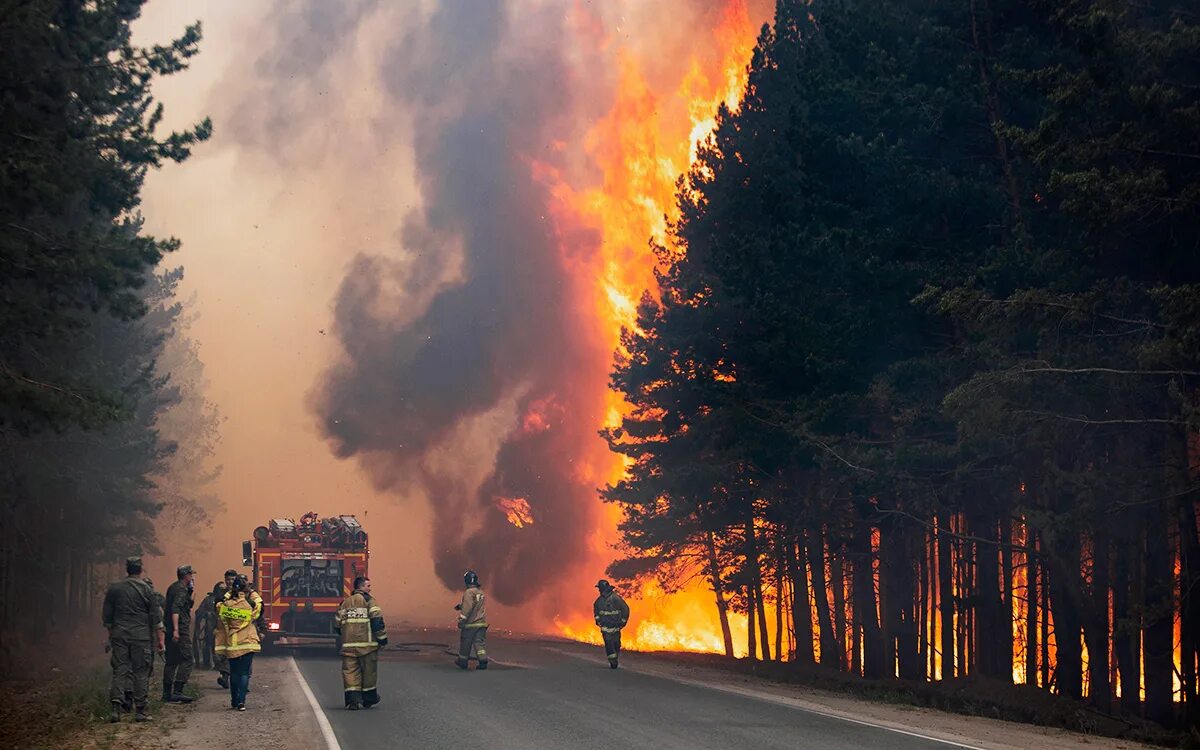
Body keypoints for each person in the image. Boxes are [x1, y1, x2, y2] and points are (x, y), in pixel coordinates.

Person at [102, 556, 164, 723]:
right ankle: (140, 711)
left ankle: (116, 707)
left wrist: (111, 635)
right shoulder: (146, 589)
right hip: (141, 636)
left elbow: (107, 616)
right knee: (140, 672)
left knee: (120, 670)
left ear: (127, 568)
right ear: (140, 569)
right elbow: (156, 617)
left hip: (119, 635)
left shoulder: (114, 588)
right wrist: (161, 641)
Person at [334, 576, 388, 710]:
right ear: (361, 587)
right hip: (367, 647)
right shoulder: (369, 601)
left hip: (348, 647)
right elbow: (377, 622)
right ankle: (369, 699)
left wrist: (346, 636)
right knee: (369, 672)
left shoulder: (344, 603)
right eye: (368, 586)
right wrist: (382, 639)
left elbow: (336, 625)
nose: (370, 588)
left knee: (350, 673)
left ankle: (353, 701)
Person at [214, 575, 261, 710]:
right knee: (244, 673)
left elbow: (217, 606)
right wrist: (252, 592)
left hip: (233, 643)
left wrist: (228, 594)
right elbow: (259, 608)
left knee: (234, 672)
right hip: (248, 642)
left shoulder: (226, 605)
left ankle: (234, 700)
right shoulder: (249, 605)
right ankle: (242, 701)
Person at [162, 565, 196, 703]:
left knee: (172, 660)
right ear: (186, 575)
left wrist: (191, 593)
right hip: (179, 629)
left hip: (169, 629)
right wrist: (176, 630)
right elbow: (175, 609)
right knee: (188, 659)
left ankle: (166, 693)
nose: (192, 577)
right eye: (190, 575)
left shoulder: (173, 587)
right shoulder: (181, 590)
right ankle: (177, 690)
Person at [454, 570, 488, 670]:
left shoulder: (468, 592)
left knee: (465, 643)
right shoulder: (480, 592)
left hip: (471, 624)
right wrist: (460, 606)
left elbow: (468, 607)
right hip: (481, 623)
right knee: (479, 643)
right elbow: (475, 604)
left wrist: (461, 620)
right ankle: (483, 660)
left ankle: (462, 661)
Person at [593, 579, 629, 669]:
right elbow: (596, 612)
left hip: (616, 626)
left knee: (617, 644)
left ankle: (615, 656)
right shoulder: (598, 601)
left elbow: (625, 609)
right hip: (605, 628)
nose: (599, 590)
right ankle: (613, 661)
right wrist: (598, 620)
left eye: (600, 588)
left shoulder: (616, 598)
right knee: (609, 644)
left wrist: (623, 621)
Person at [211, 569, 237, 688]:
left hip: (236, 629)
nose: (230, 582)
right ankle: (225, 677)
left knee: (235, 654)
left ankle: (237, 680)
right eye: (228, 579)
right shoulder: (220, 594)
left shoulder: (240, 593)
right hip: (222, 628)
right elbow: (216, 611)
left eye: (232, 579)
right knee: (222, 654)